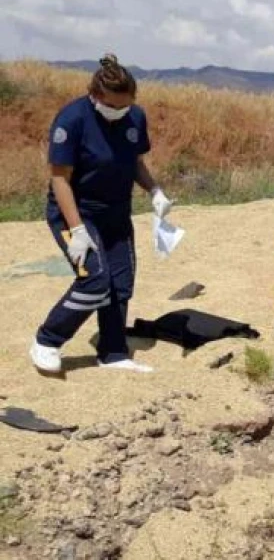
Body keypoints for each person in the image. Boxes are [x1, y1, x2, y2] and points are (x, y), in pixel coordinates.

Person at [29, 54, 173, 374]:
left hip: (116, 214)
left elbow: (134, 161)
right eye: (113, 106)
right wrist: (77, 230)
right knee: (94, 280)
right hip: (76, 213)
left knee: (121, 283)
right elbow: (59, 179)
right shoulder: (72, 119)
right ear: (95, 97)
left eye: (125, 106)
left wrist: (154, 191)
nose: (119, 112)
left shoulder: (135, 117)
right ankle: (47, 340)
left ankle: (112, 352)